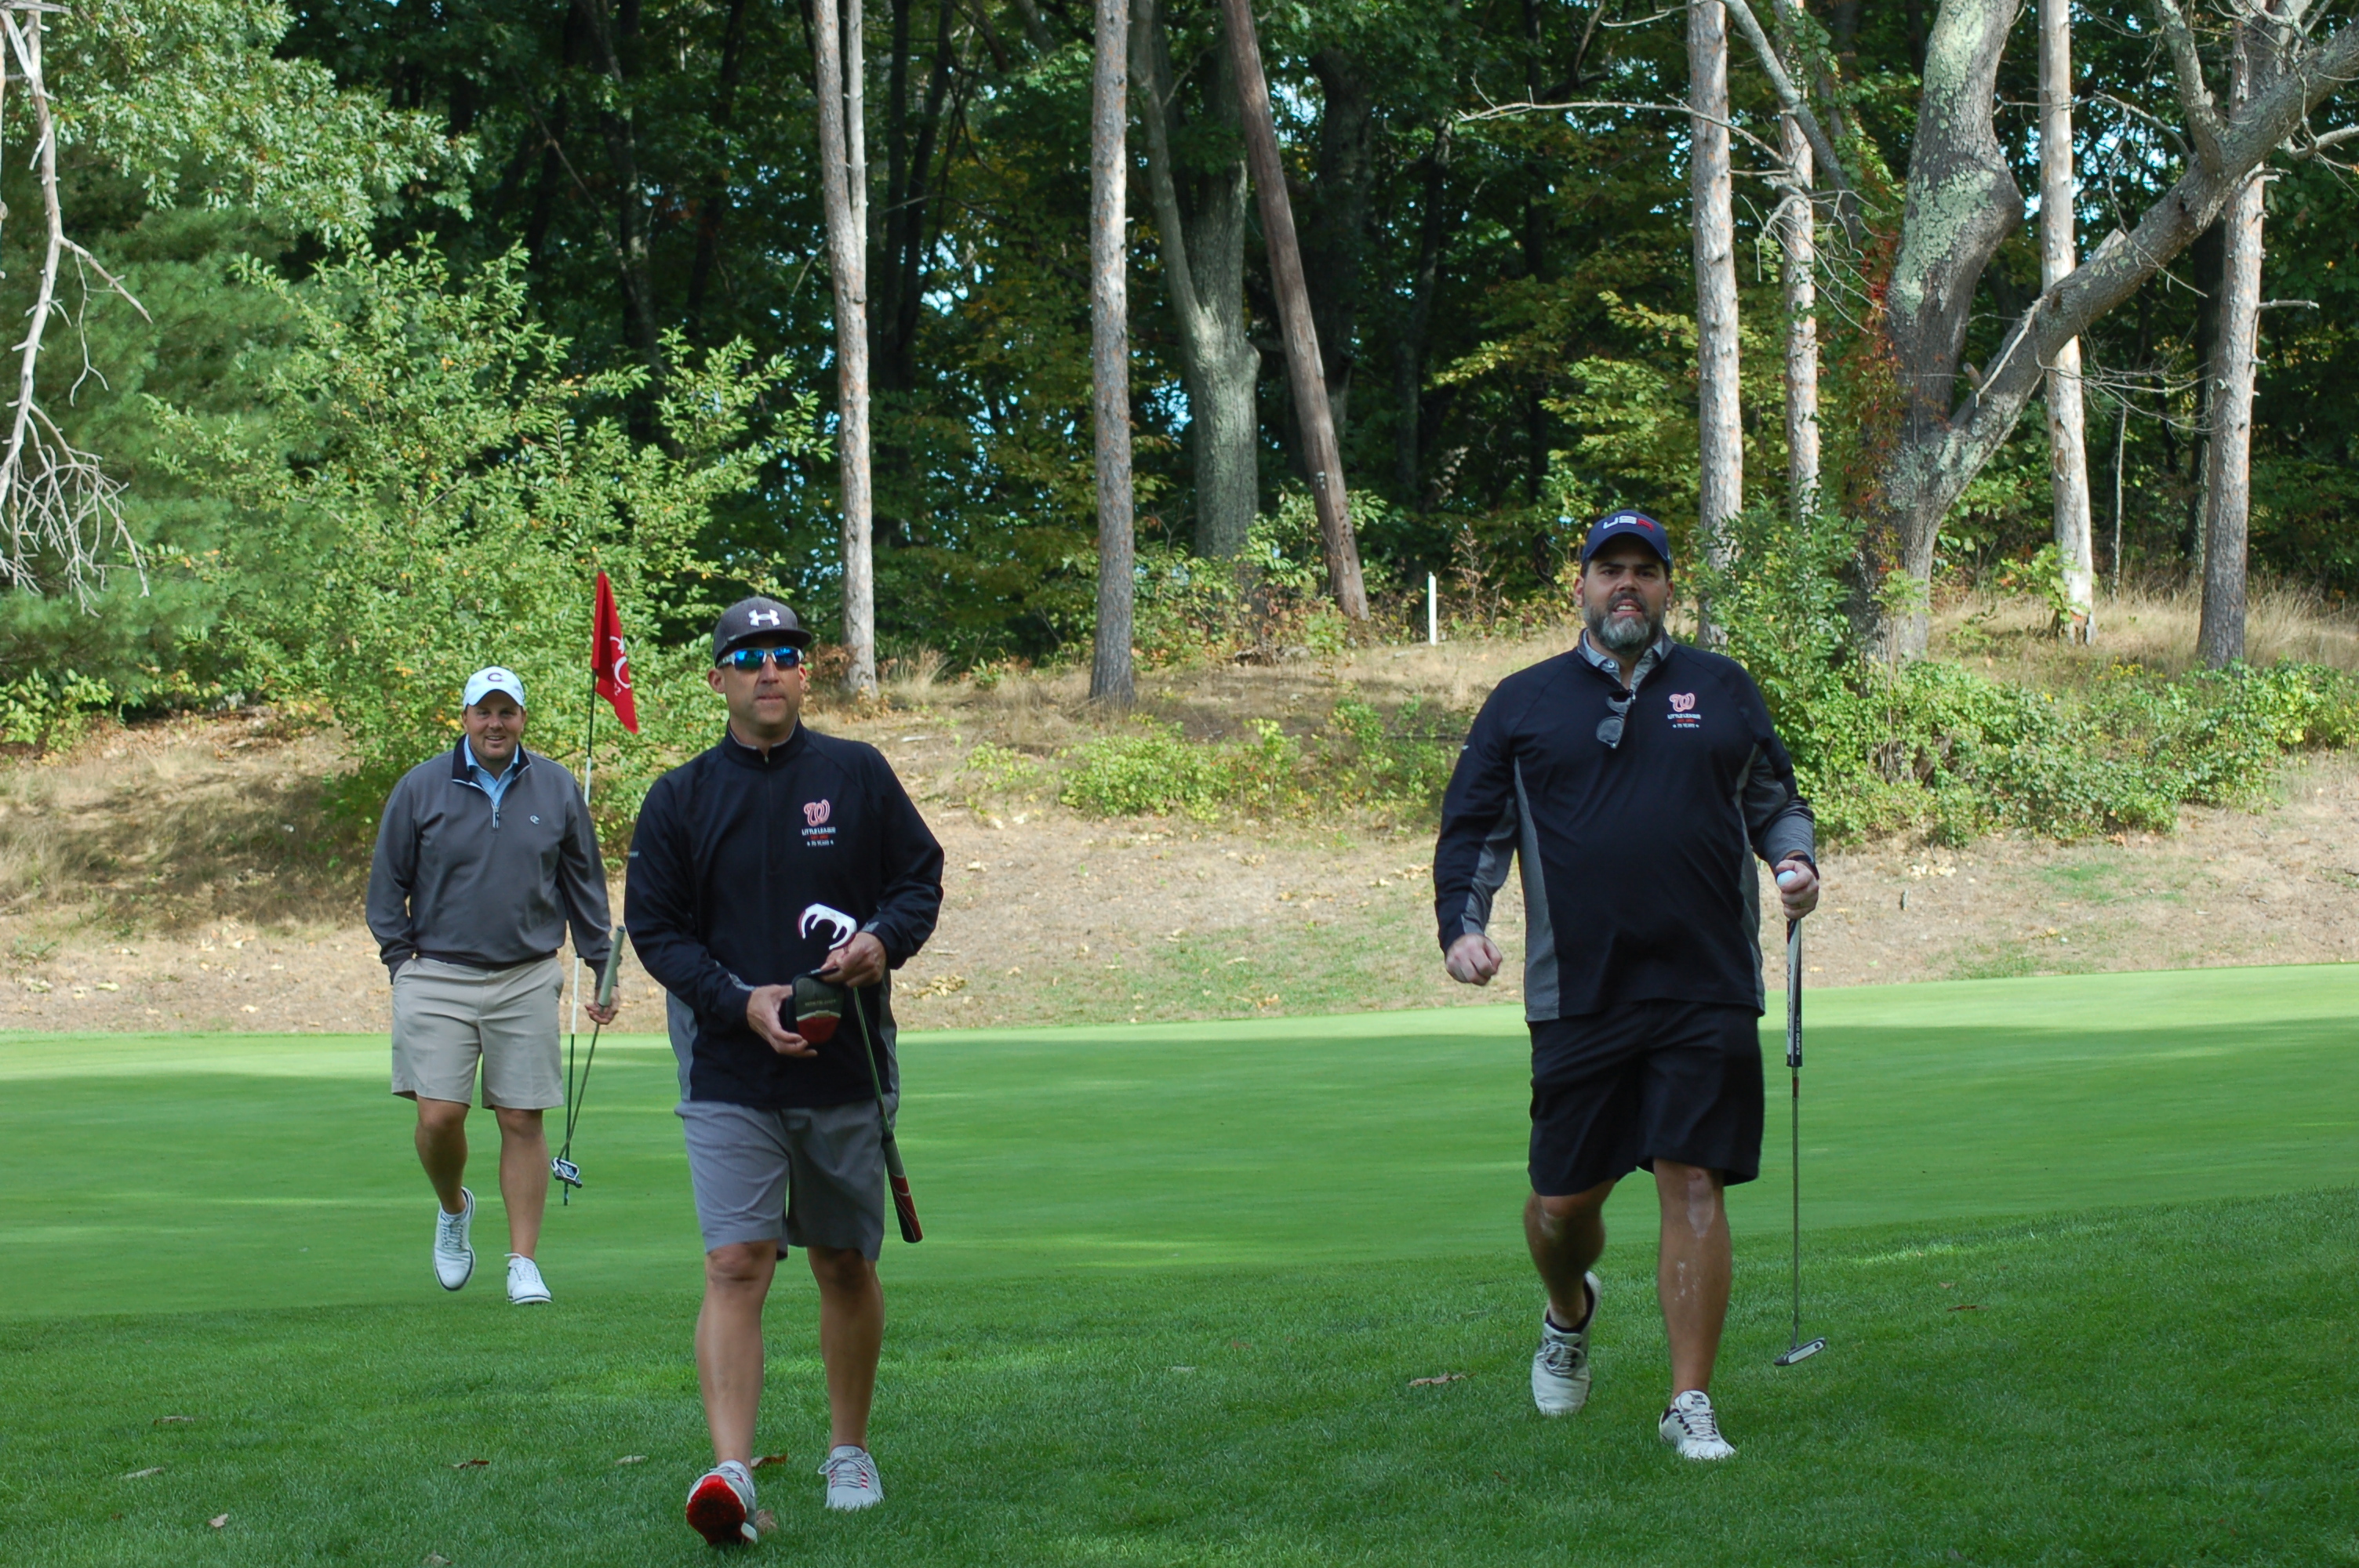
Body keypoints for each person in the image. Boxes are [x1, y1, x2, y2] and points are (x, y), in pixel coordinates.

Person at [1431, 510, 1821, 1461]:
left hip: (1705, 981)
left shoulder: (1721, 688)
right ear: (1581, 585)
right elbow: (1473, 830)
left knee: (1693, 1182)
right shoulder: (1522, 701)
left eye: (1645, 570)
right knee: (1562, 1205)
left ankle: (1689, 1400)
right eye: (1610, 569)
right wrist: (1462, 926)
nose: (1626, 585)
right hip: (1580, 990)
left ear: (1666, 587)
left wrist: (1793, 859)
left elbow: (1774, 799)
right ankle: (1568, 1308)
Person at [624, 597, 944, 1542]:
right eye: (748, 655)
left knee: (844, 1260)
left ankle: (849, 1447)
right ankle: (730, 1468)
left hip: (845, 1063)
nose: (768, 668)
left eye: (784, 654)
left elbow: (917, 880)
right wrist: (738, 1000)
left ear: (805, 674)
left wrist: (882, 940)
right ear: (717, 677)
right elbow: (655, 930)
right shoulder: (679, 796)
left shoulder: (856, 773)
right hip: (728, 1067)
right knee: (735, 1260)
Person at [366, 666, 618, 1305]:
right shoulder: (422, 786)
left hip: (526, 974)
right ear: (465, 718)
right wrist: (401, 962)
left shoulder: (556, 787)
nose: (496, 724)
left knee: (521, 1118)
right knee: (438, 1116)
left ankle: (522, 1262)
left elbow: (583, 884)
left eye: (507, 712)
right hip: (435, 972)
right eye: (484, 712)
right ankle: (454, 1208)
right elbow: (386, 884)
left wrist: (601, 966)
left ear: (523, 718)